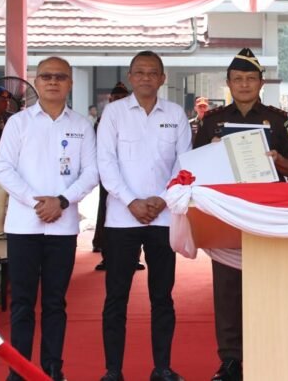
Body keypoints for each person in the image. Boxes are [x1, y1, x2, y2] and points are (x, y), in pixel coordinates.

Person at [194, 48, 288, 381]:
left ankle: (266, 353)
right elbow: (194, 170)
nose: (244, 84)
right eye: (237, 79)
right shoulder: (211, 121)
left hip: (267, 212)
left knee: (266, 285)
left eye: (250, 79)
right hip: (226, 212)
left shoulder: (278, 120)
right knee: (226, 289)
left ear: (261, 83)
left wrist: (278, 159)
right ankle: (230, 360)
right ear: (228, 83)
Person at [0, 57, 98, 381]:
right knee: (22, 302)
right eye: (46, 76)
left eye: (61, 77)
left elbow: (92, 171)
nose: (53, 82)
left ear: (70, 83)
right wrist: (34, 202)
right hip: (23, 225)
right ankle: (19, 369)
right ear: (36, 82)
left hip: (63, 226)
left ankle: (53, 368)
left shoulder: (81, 125)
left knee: (55, 303)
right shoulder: (18, 123)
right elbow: (3, 169)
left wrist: (62, 201)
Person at [97, 51, 190, 381]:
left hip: (164, 218)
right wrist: (131, 201)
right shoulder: (114, 114)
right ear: (131, 77)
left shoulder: (176, 114)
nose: (147, 77)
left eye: (153, 73)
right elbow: (105, 164)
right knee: (116, 297)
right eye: (140, 72)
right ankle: (113, 370)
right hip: (122, 219)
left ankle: (162, 367)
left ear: (162, 78)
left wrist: (163, 200)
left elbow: (184, 166)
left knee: (162, 296)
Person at [92, 81, 131, 270]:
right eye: (116, 98)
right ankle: (107, 256)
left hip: (131, 175)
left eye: (123, 98)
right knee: (106, 213)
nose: (119, 101)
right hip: (109, 175)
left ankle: (134, 258)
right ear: (110, 100)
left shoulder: (136, 117)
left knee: (134, 215)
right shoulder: (104, 119)